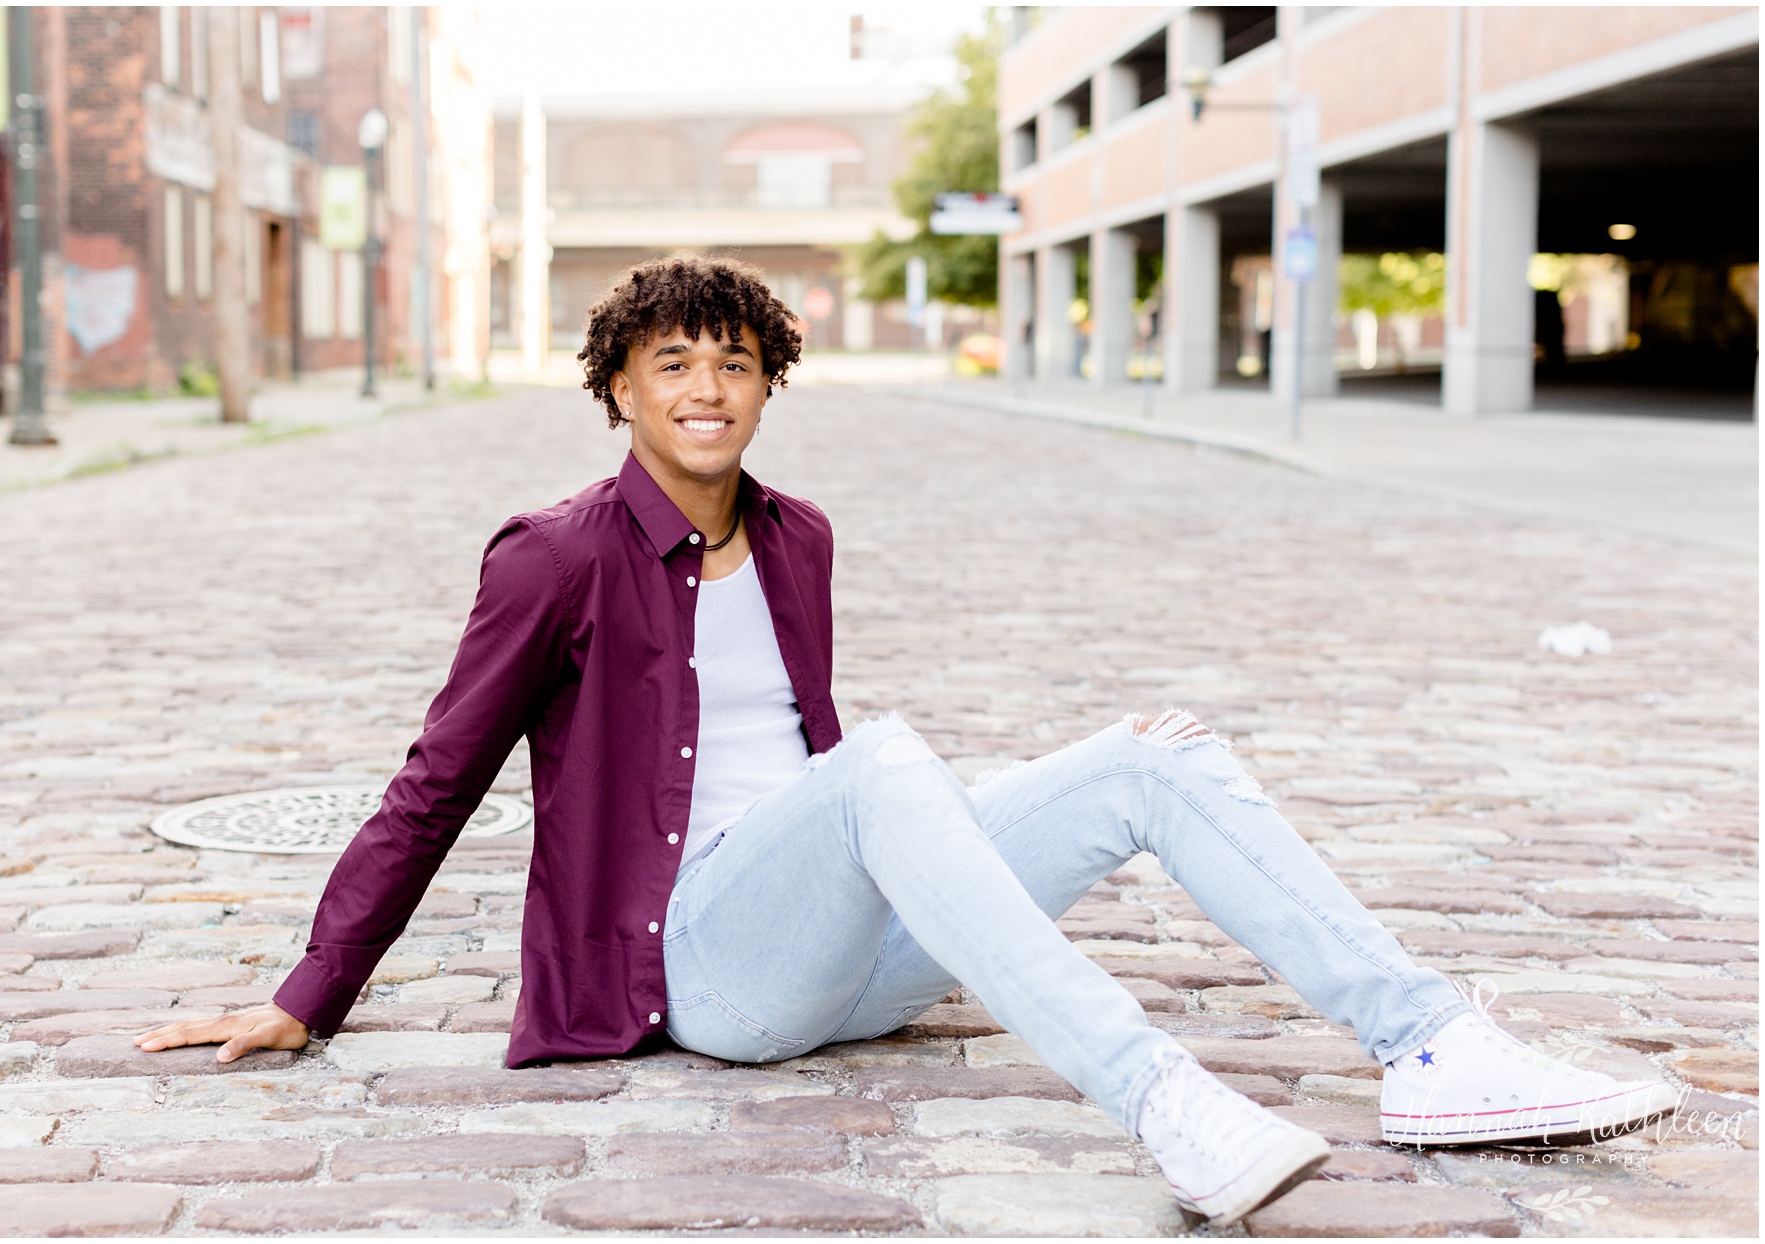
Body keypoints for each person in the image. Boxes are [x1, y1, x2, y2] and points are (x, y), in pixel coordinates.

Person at [137, 256, 1676, 1225]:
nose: (706, 387)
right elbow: (437, 779)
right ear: (615, 388)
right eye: (670, 362)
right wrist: (307, 994)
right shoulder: (552, 558)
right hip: (700, 973)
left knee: (1155, 750)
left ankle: (1431, 1044)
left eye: (733, 361)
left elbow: (821, 781)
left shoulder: (799, 537)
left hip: (844, 959)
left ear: (768, 386)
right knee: (881, 762)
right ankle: (1167, 1105)